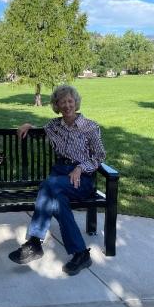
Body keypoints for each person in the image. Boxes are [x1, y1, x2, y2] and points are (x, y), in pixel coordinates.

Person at [8, 85, 106, 276]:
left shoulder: (90, 127)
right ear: (57, 105)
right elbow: (39, 130)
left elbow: (100, 156)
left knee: (47, 185)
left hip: (81, 179)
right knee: (57, 202)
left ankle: (35, 243)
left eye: (70, 101)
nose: (67, 105)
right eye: (62, 102)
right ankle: (80, 254)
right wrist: (28, 125)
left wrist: (81, 167)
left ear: (76, 102)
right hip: (60, 175)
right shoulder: (54, 126)